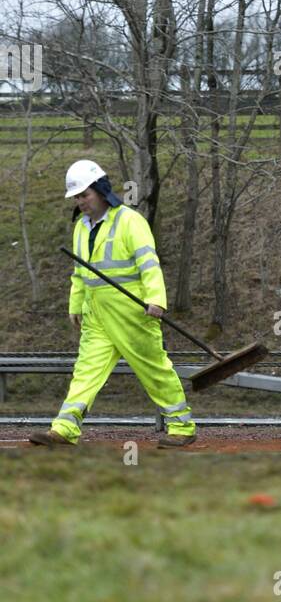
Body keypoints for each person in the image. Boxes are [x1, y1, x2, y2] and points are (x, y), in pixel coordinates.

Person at [29, 159, 197, 450]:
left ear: (100, 190)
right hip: (97, 315)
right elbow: (80, 272)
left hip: (132, 314)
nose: (81, 202)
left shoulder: (130, 222)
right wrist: (76, 305)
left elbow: (149, 264)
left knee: (154, 370)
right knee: (86, 371)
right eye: (77, 197)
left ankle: (182, 427)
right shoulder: (81, 228)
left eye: (84, 195)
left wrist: (156, 299)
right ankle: (64, 429)